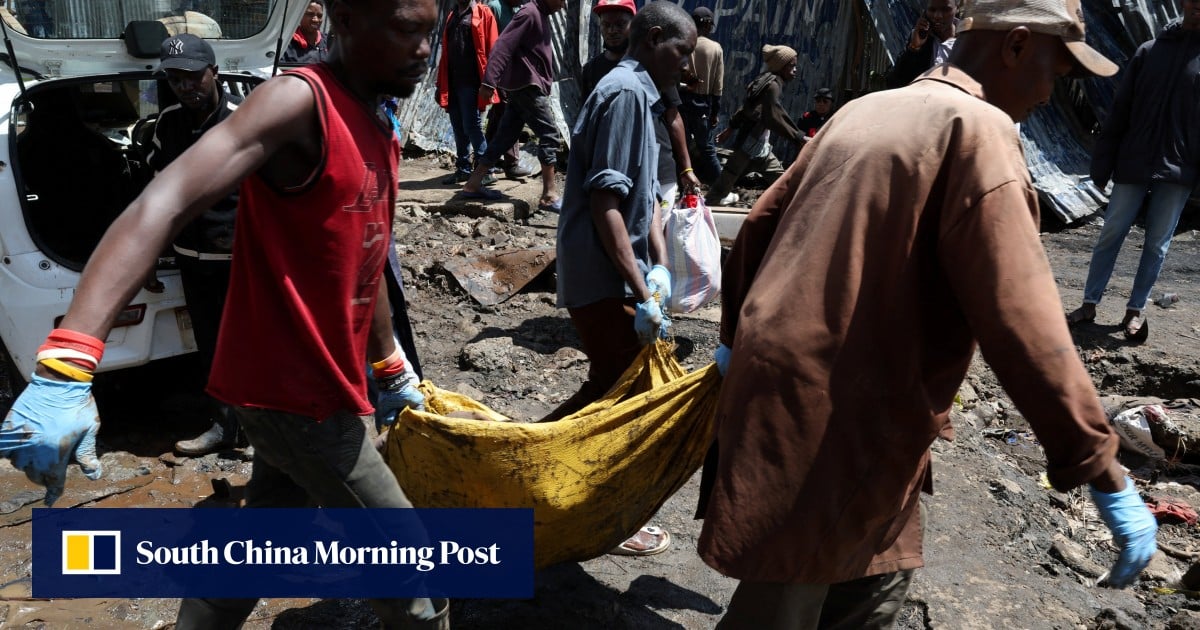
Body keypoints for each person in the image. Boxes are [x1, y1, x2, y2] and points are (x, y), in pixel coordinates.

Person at [700, 0, 1157, 626]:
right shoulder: (980, 134)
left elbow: (757, 228)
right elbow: (1021, 319)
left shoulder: (865, 109)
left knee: (872, 578)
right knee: (788, 594)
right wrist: (1099, 464)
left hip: (801, 383)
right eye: (1057, 70)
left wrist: (733, 344)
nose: (1053, 93)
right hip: (838, 405)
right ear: (1017, 46)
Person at [0, 0, 442, 627]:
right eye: (406, 29)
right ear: (343, 18)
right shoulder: (297, 103)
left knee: (262, 547)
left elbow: (358, 259)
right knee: (421, 586)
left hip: (319, 386)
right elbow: (163, 200)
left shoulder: (375, 118)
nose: (423, 49)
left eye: (431, 32)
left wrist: (389, 362)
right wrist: (69, 359)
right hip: (297, 395)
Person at [550, 0, 692, 424]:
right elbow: (604, 203)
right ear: (653, 39)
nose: (687, 66)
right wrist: (642, 291)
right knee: (628, 388)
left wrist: (661, 268)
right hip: (600, 274)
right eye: (683, 51)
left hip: (617, 273)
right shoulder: (625, 93)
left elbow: (645, 197)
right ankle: (513, 463)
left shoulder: (644, 96)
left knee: (614, 387)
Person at [1065, 4, 1200, 342]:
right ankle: (1089, 303)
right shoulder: (1150, 52)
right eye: (1195, 4)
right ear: (1184, 4)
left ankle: (1135, 309)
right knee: (1112, 231)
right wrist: (1103, 162)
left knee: (1157, 244)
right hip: (1134, 160)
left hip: (1178, 168)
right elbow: (1120, 110)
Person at [143, 34, 245, 456]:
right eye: (175, 79)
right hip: (191, 256)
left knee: (251, 346)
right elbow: (155, 193)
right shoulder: (168, 123)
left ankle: (263, 433)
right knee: (211, 346)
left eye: (193, 77)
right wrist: (149, 255)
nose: (186, 86)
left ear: (214, 72)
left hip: (242, 258)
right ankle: (224, 426)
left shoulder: (245, 118)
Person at [459, 0, 565, 211]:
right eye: (562, 0)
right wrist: (490, 80)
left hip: (523, 87)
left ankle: (473, 184)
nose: (563, 5)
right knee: (550, 135)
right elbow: (503, 45)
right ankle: (550, 195)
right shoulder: (529, 13)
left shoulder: (540, 15)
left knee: (504, 137)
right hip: (527, 87)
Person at [705, 44, 802, 207]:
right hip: (749, 145)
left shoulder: (767, 81)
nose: (795, 70)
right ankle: (703, 211)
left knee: (782, 181)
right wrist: (798, 136)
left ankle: (790, 211)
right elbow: (773, 115)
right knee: (725, 182)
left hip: (759, 146)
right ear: (781, 65)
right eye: (792, 65)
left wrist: (730, 128)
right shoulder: (772, 85)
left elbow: (748, 108)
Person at [435, 0, 499, 185]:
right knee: (457, 126)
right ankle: (463, 168)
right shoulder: (452, 15)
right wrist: (440, 84)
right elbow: (445, 53)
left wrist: (490, 81)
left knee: (472, 125)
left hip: (472, 81)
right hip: (453, 81)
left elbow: (493, 48)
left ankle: (487, 170)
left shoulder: (483, 13)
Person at [483, 0, 534, 178]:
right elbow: (488, 41)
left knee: (499, 115)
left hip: (514, 72)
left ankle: (485, 157)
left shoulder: (518, 9)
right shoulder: (495, 7)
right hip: (500, 72)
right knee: (509, 114)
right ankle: (511, 163)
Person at [678, 6, 723, 185]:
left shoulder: (682, 45)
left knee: (681, 147)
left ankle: (679, 186)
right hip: (702, 104)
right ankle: (720, 189)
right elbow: (717, 87)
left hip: (680, 101)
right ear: (709, 26)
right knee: (708, 149)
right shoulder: (715, 48)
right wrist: (714, 113)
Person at [885, 0, 959, 88]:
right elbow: (896, 83)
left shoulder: (965, 39)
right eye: (932, 10)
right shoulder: (920, 38)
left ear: (957, 9)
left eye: (946, 9)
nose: (937, 16)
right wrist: (914, 48)